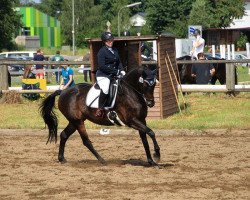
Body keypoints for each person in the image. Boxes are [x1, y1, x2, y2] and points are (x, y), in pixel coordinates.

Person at [95, 31, 125, 117]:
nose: (111, 42)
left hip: (114, 74)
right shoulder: (101, 52)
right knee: (105, 88)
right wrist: (116, 72)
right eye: (108, 41)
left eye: (111, 40)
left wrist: (122, 70)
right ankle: (100, 108)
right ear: (104, 42)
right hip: (103, 75)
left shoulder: (115, 50)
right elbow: (102, 66)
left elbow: (119, 62)